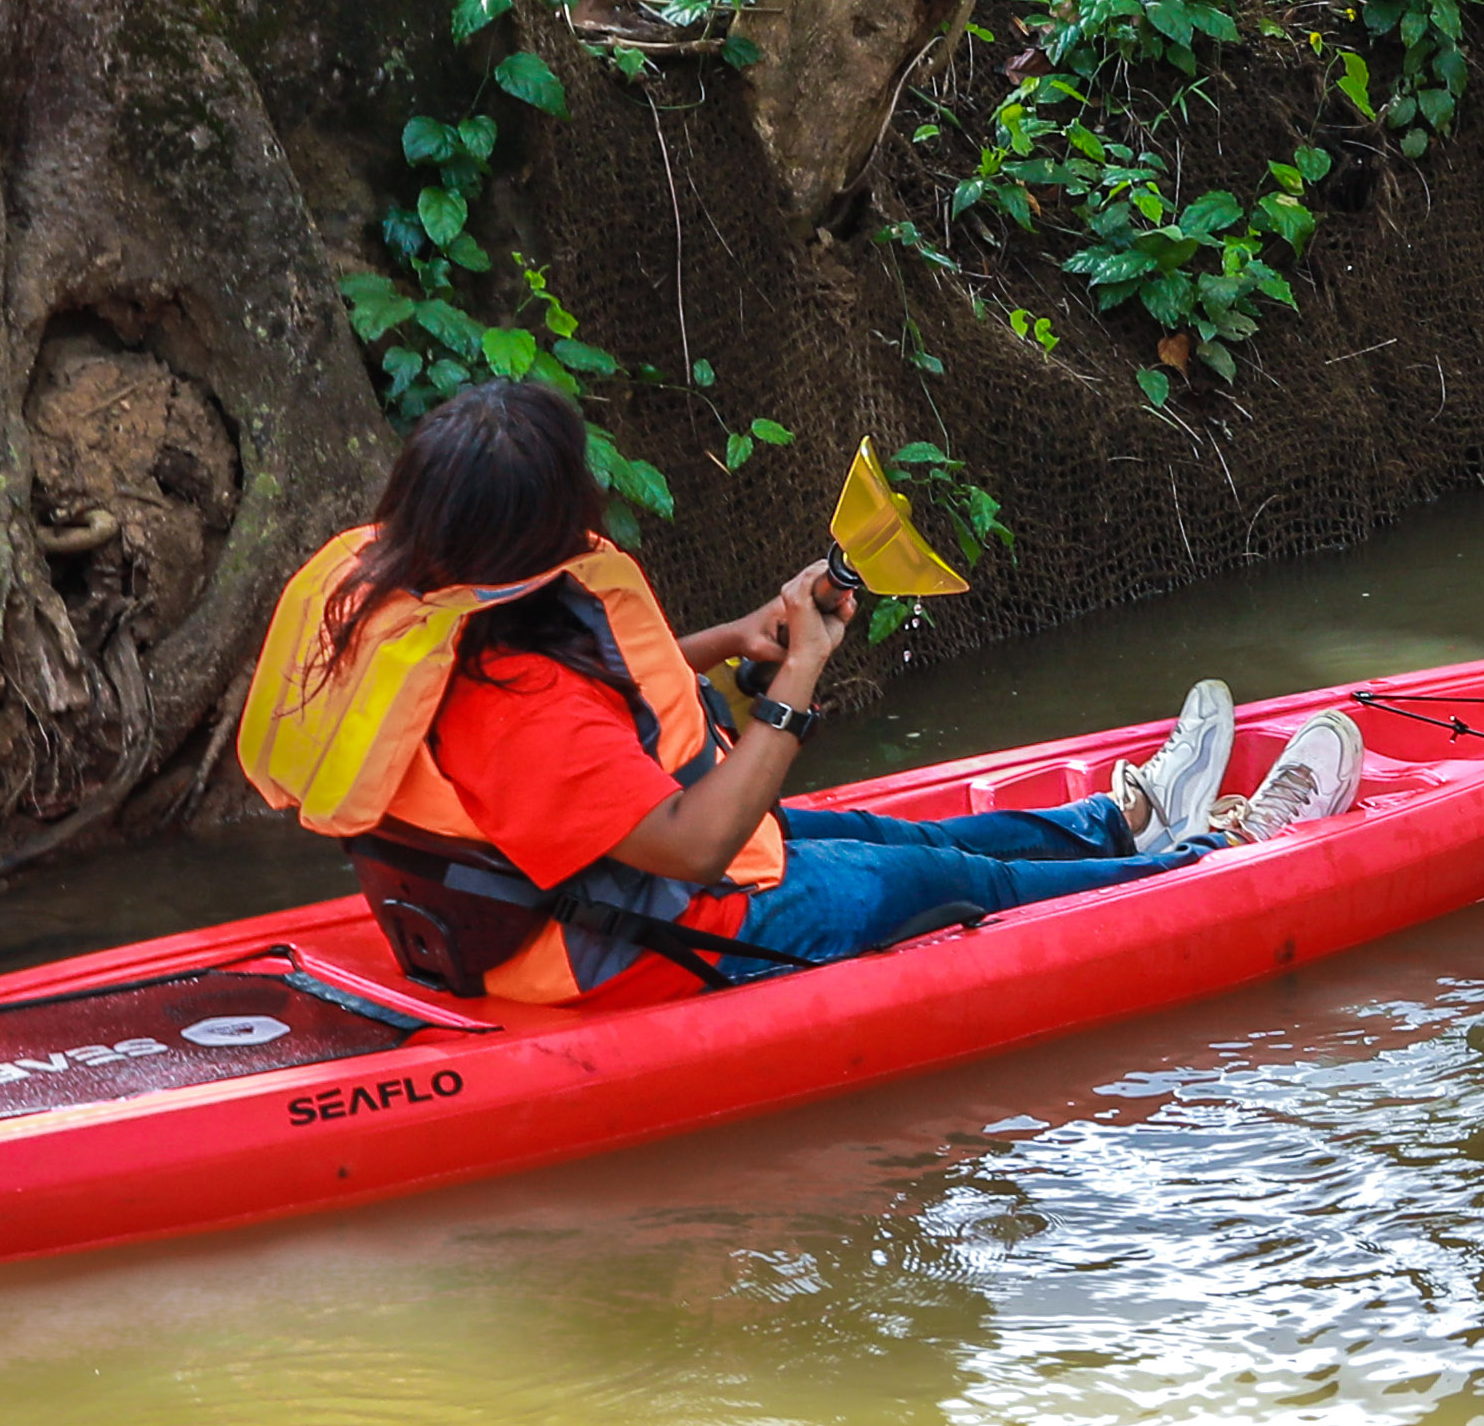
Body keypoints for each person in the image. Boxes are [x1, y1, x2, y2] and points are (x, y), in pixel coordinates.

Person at [232, 380, 1348, 1001]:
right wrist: (798, 678)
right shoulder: (517, 699)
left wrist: (737, 636)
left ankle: (1117, 819)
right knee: (940, 878)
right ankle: (1214, 865)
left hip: (570, 887)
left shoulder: (425, 603)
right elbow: (696, 848)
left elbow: (590, 713)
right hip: (620, 939)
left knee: (864, 825)